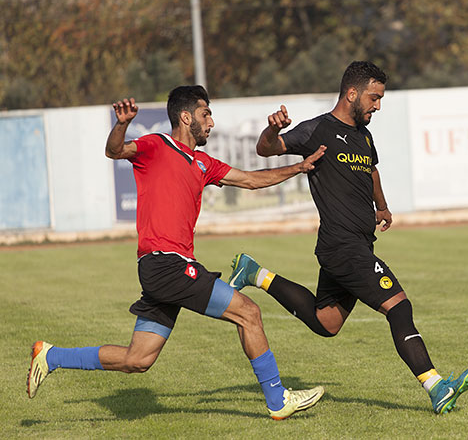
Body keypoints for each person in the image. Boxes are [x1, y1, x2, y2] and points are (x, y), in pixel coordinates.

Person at [27, 85, 327, 420]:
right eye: (205, 114)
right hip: (167, 265)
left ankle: (50, 356)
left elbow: (251, 180)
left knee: (137, 360)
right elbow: (114, 151)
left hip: (163, 270)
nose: (211, 122)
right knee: (249, 313)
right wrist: (122, 124)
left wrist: (298, 169)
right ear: (186, 117)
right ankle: (277, 399)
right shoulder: (156, 145)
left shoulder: (203, 162)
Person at [227, 61, 468, 415]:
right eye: (374, 98)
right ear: (352, 93)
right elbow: (266, 150)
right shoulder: (316, 130)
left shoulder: (364, 135)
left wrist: (382, 206)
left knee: (327, 323)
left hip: (356, 243)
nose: (378, 106)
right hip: (341, 245)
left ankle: (256, 274)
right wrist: (271, 130)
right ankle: (436, 386)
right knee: (399, 306)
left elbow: (371, 169)